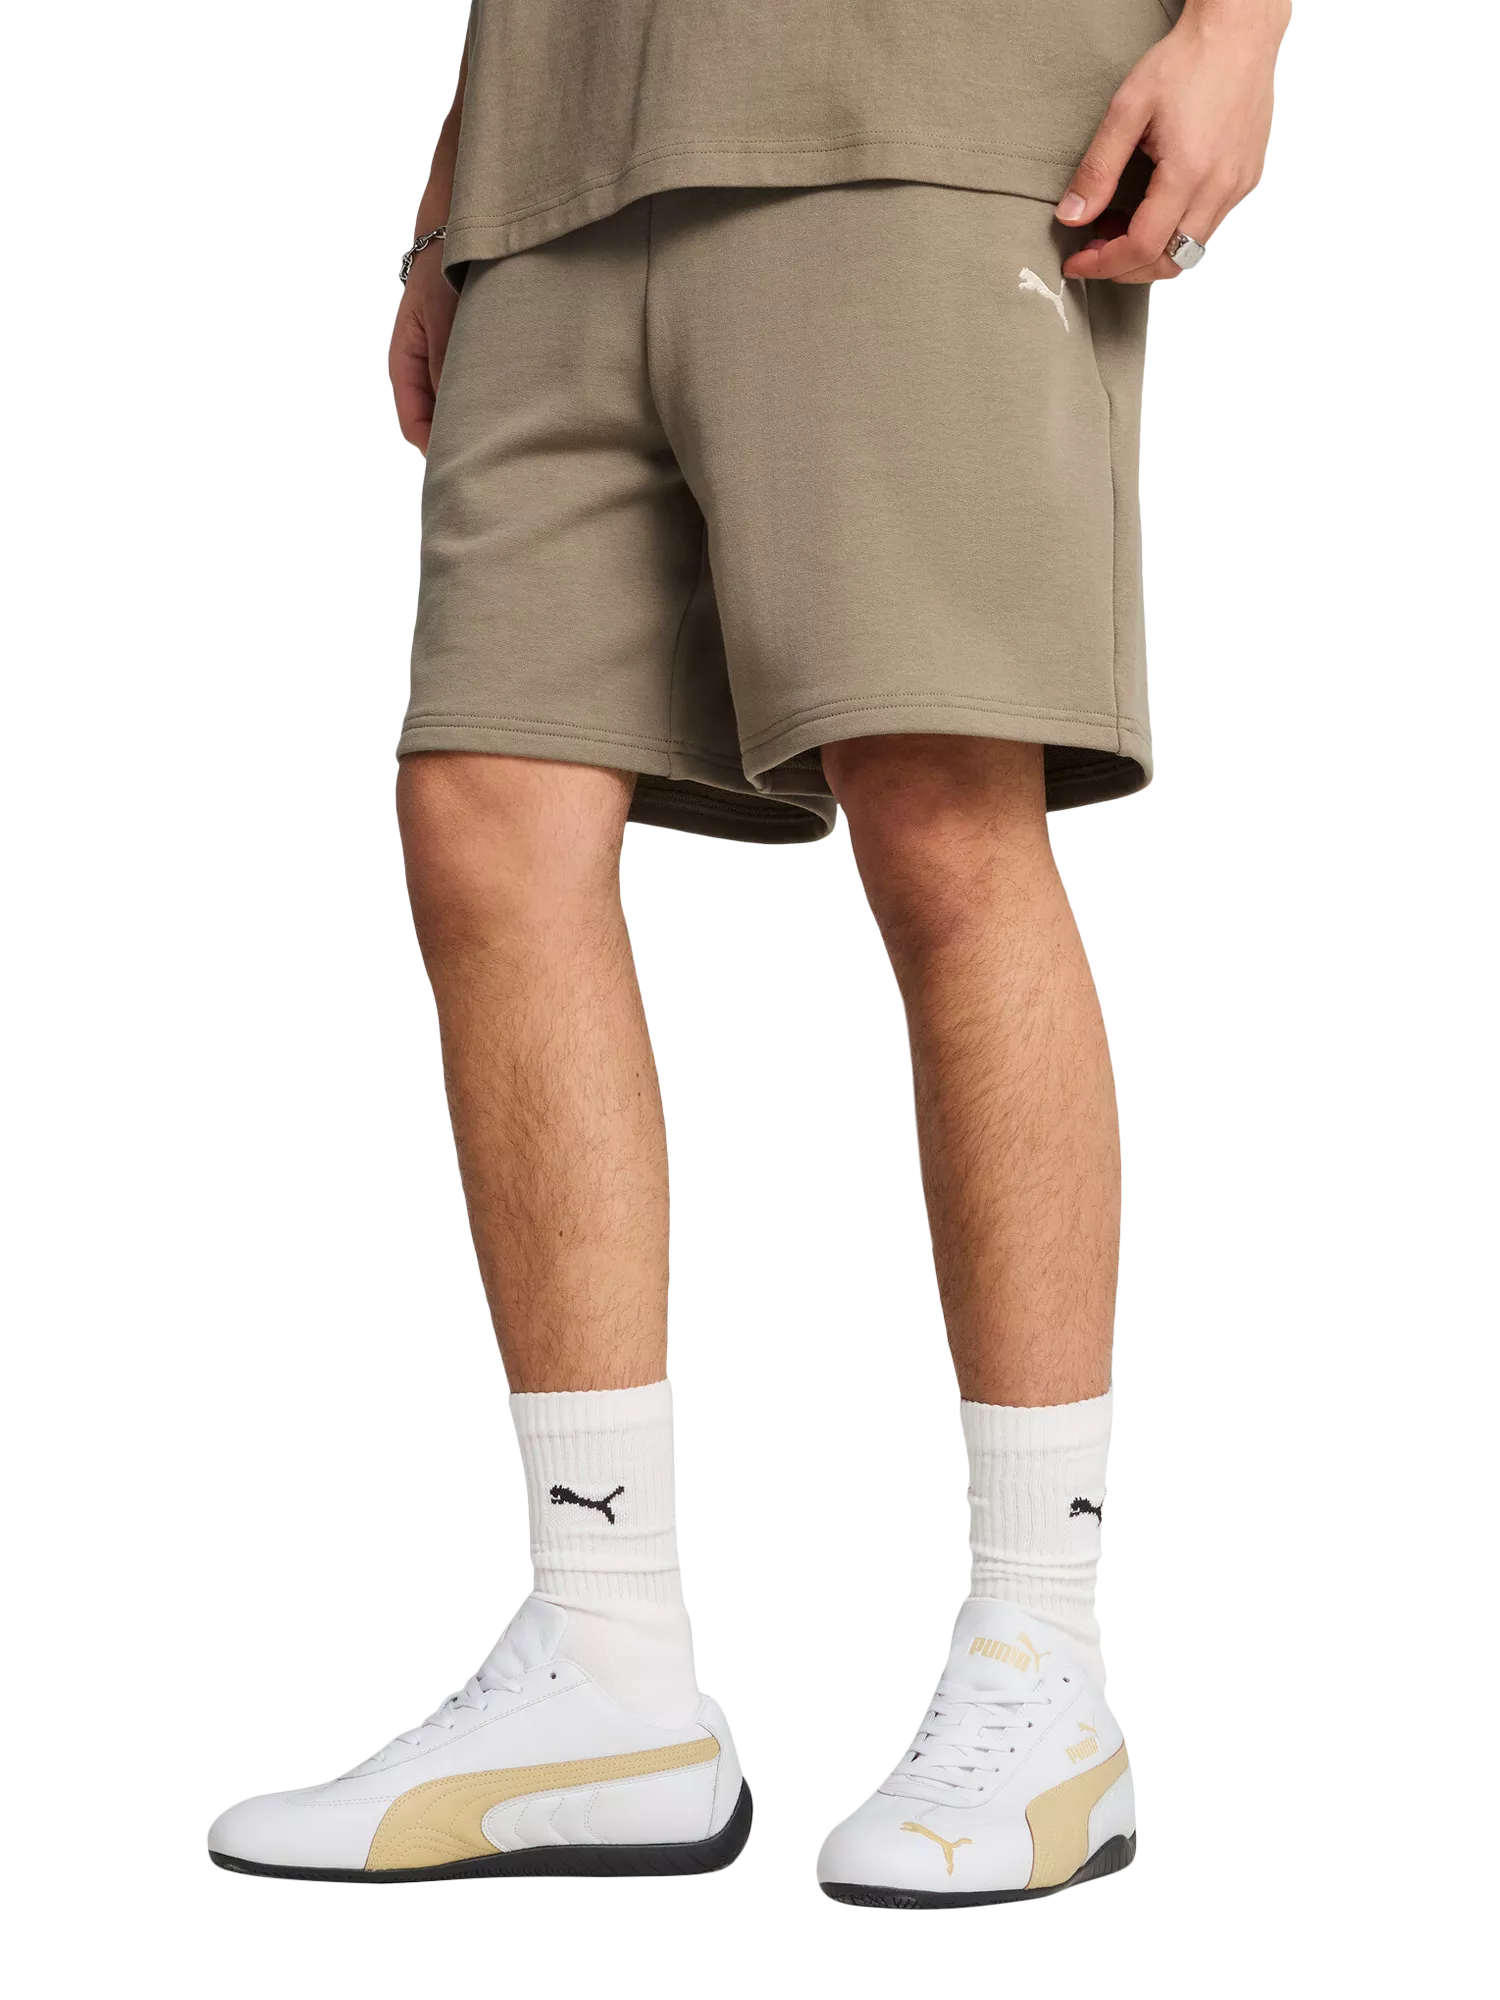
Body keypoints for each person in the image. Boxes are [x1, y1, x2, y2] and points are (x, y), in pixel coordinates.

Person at [208, 0, 1288, 1904]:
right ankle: (604, 1654)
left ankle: (1043, 1659)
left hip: (932, 109)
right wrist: (464, 178)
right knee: (484, 807)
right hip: (562, 144)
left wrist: (1244, 27)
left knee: (943, 809)